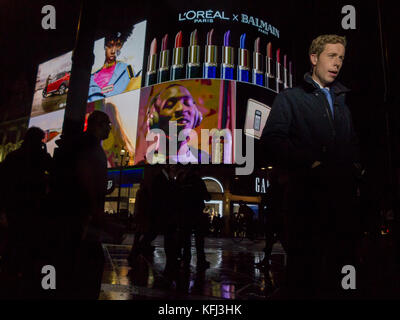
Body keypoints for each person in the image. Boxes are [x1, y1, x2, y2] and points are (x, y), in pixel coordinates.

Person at [261, 35, 363, 299]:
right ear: (314, 58)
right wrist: (309, 163)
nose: (338, 63)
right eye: (332, 56)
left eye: (341, 57)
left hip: (342, 202)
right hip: (306, 202)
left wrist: (356, 169)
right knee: (304, 275)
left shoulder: (343, 102)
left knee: (338, 273)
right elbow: (272, 138)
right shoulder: (291, 98)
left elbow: (352, 143)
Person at [50, 110, 112, 299]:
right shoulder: (89, 144)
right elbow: (84, 172)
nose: (110, 127)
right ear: (98, 124)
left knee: (77, 259)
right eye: (107, 124)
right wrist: (94, 208)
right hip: (80, 213)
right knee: (85, 262)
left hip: (76, 212)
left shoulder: (82, 144)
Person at [0, 127, 53, 298]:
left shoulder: (13, 157)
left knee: (13, 246)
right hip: (33, 209)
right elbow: (53, 171)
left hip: (15, 209)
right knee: (29, 248)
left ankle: (10, 280)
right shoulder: (39, 157)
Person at [145, 84, 209, 164]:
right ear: (155, 119)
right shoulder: (147, 165)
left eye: (187, 102)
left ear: (197, 116)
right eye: (170, 105)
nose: (181, 108)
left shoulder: (206, 160)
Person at [88, 28, 141, 102]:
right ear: (104, 46)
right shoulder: (92, 77)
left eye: (117, 45)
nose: (113, 51)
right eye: (110, 45)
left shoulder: (127, 69)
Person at [178, 166, 211, 271]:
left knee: (186, 238)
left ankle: (186, 258)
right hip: (196, 213)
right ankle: (201, 260)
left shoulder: (184, 181)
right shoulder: (199, 181)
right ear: (197, 171)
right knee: (199, 239)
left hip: (185, 213)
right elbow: (207, 196)